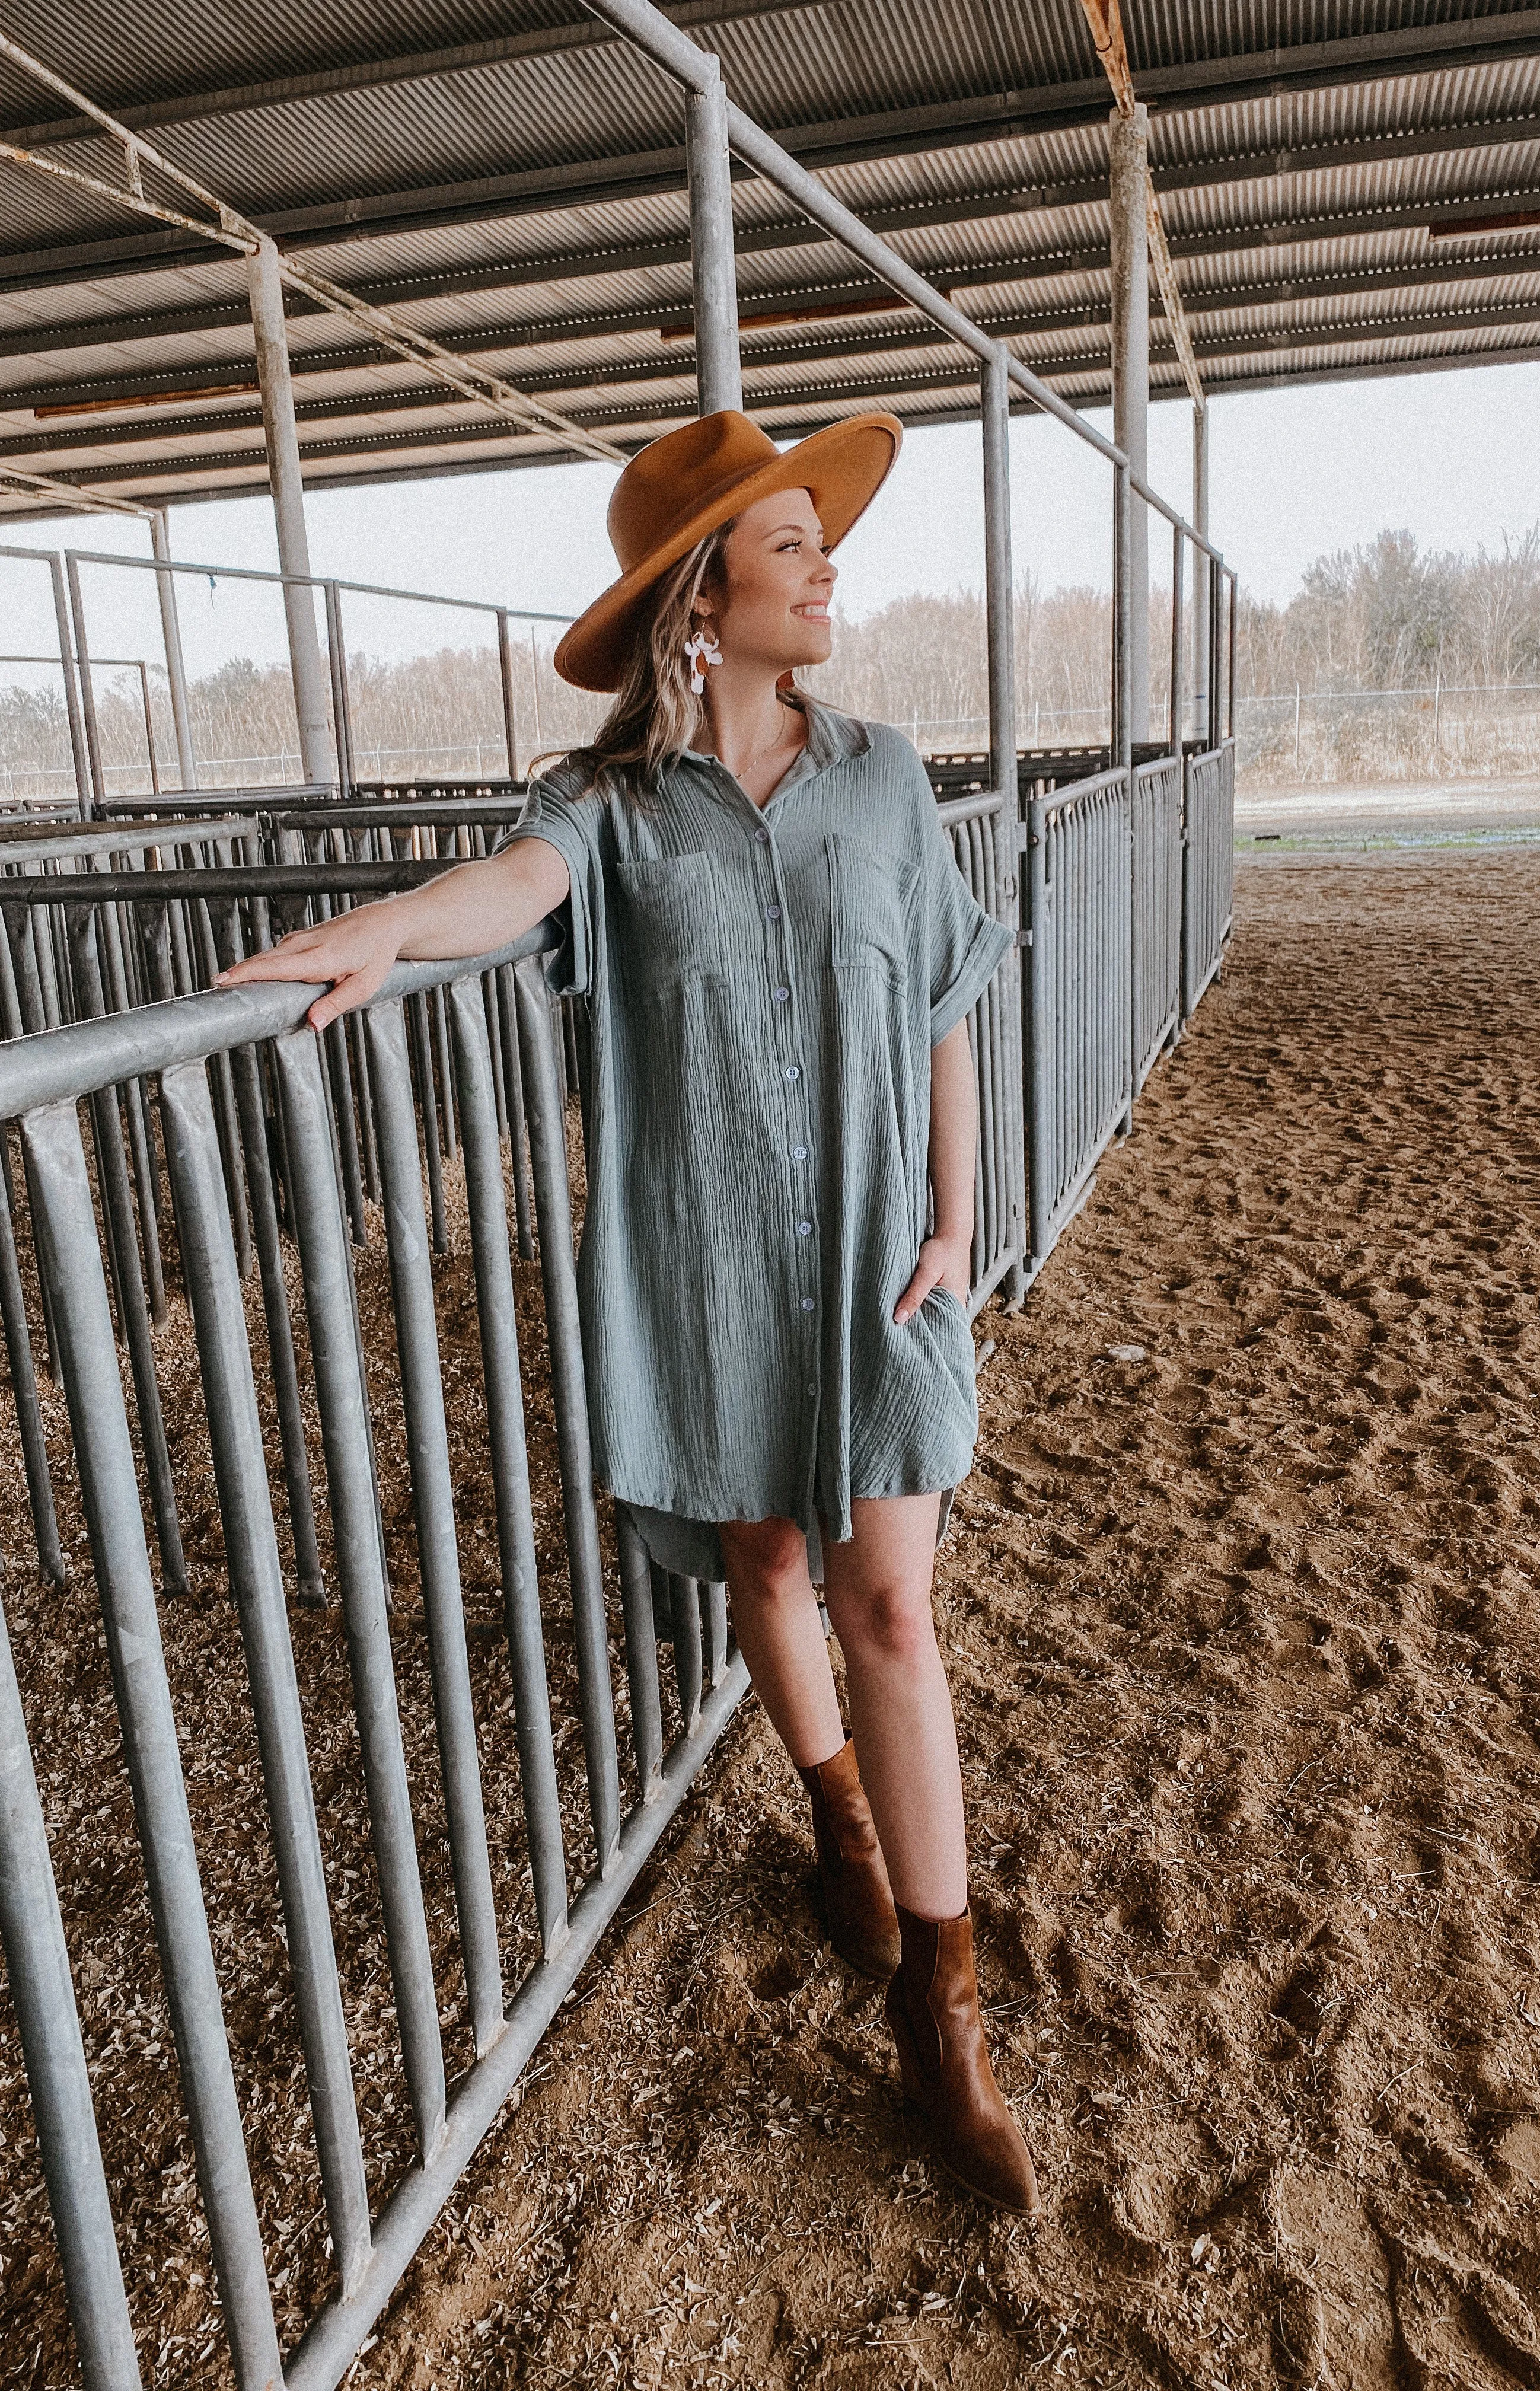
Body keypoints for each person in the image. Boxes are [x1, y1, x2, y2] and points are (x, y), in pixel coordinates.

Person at [217, 409, 1039, 2215]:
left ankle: (940, 1997)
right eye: (795, 548)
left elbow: (952, 998)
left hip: (876, 1250)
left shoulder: (887, 773)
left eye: (826, 542)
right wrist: (381, 928)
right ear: (703, 596)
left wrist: (960, 1225)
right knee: (762, 1570)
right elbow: (514, 889)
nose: (832, 571)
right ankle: (833, 1815)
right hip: (704, 1258)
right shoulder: (606, 807)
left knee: (888, 1596)